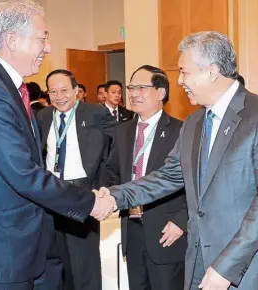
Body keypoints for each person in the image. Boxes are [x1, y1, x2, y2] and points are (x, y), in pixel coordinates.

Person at [97, 31, 258, 290]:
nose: (179, 80)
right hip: (198, 258)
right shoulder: (194, 122)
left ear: (212, 72)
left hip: (247, 266)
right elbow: (169, 175)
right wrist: (116, 196)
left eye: (185, 71)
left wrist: (226, 266)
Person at [0, 1, 113, 289]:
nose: (49, 48)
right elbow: (23, 173)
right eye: (42, 38)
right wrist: (89, 202)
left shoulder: (8, 87)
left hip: (28, 241)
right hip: (2, 249)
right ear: (13, 40)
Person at [104, 65, 187, 290]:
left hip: (166, 231)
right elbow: (112, 172)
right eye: (131, 87)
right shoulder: (122, 131)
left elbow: (194, 184)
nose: (133, 93)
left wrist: (181, 221)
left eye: (141, 87)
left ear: (160, 93)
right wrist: (107, 195)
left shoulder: (181, 131)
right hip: (132, 228)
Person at [37, 69, 117, 290]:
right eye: (53, 91)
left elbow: (116, 149)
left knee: (84, 260)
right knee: (58, 256)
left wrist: (106, 185)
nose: (59, 96)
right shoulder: (43, 116)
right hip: (52, 192)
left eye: (64, 90)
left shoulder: (96, 113)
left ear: (76, 91)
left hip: (83, 190)